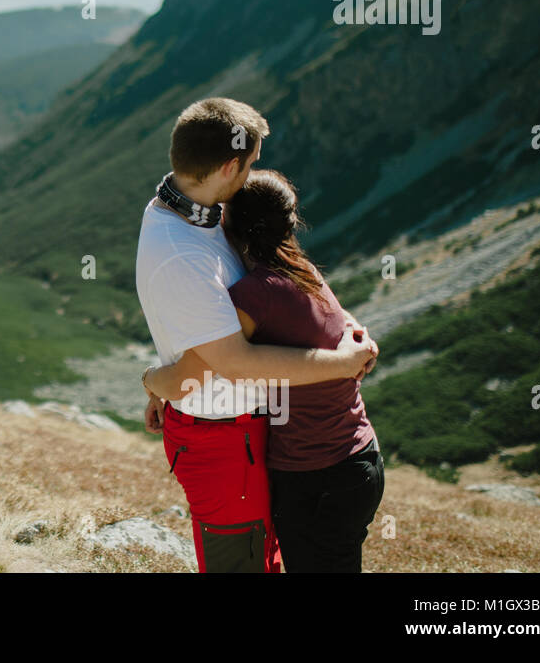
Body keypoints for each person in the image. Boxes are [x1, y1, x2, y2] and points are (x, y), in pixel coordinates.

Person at [135, 98, 376, 573]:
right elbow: (232, 361)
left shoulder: (196, 213)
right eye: (251, 165)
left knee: (264, 559)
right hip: (221, 441)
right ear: (229, 166)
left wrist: (347, 325)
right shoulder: (185, 252)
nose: (252, 176)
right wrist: (152, 379)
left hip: (246, 434)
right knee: (239, 564)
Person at [221, 168, 383, 572]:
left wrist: (156, 383)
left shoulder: (254, 294)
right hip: (360, 459)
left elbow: (219, 359)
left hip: (315, 477)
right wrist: (357, 342)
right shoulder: (303, 270)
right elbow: (343, 325)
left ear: (234, 223)